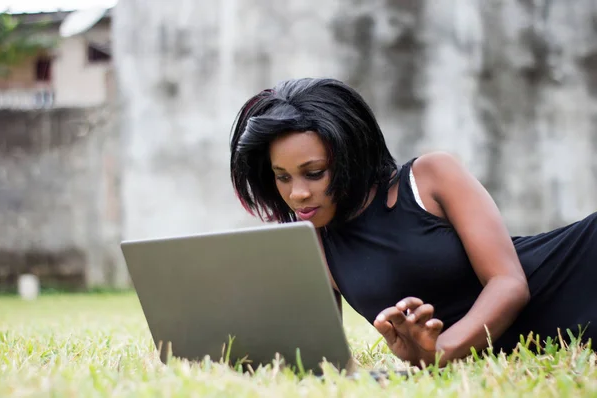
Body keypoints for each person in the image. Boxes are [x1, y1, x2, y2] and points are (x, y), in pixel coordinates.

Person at [229, 77, 597, 368]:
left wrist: (441, 352)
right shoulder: (310, 240)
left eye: (314, 172)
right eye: (283, 177)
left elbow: (509, 283)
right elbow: (314, 352)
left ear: (352, 155)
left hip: (579, 269)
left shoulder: (430, 177)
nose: (298, 194)